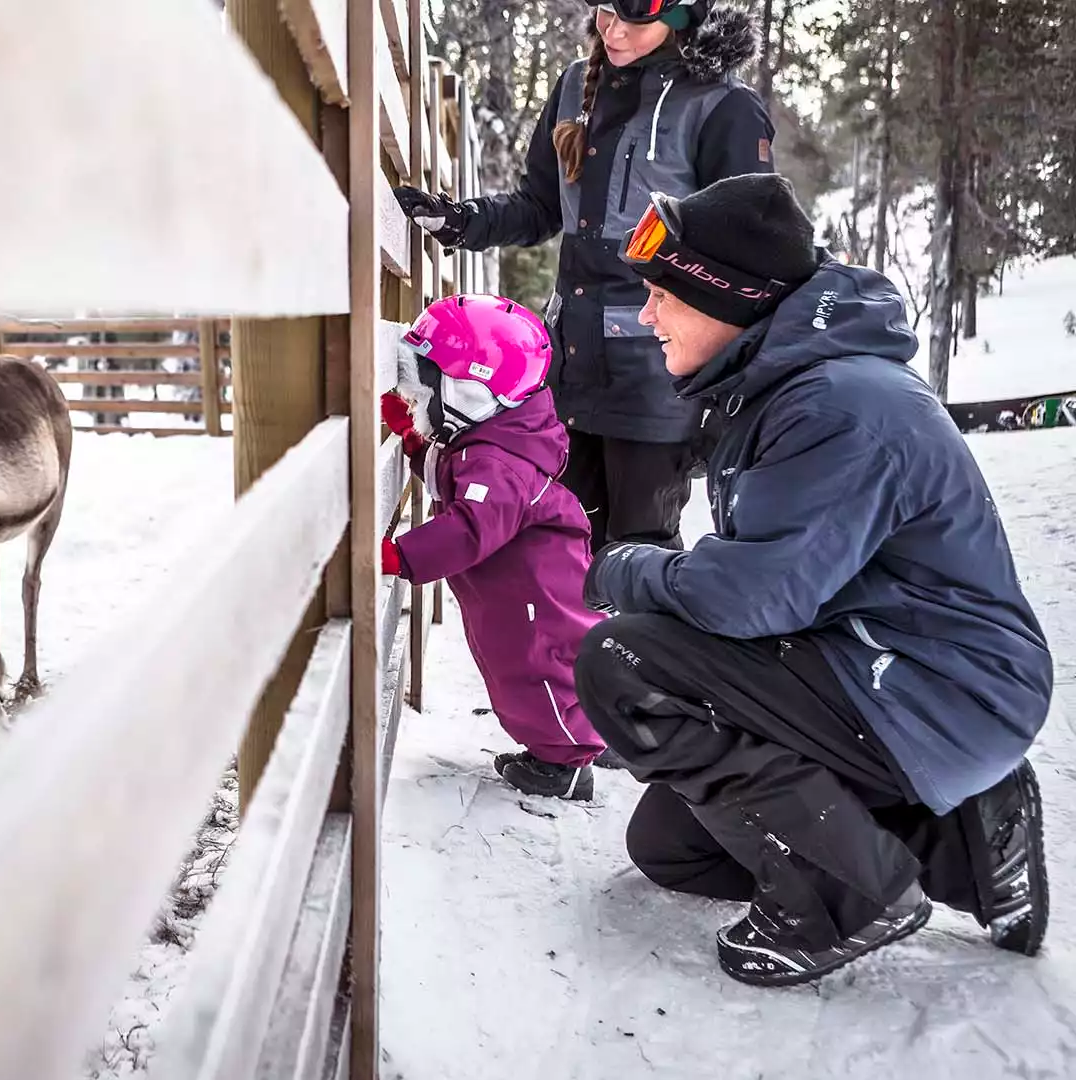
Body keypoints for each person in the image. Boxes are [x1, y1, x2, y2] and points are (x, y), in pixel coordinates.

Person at [577, 172, 1054, 986]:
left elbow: (749, 598)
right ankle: (969, 841)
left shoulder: (840, 404)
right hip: (880, 667)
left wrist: (627, 570)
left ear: (726, 297)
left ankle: (848, 895)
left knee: (624, 663)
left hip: (942, 685)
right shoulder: (786, 383)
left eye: (663, 294)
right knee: (674, 848)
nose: (646, 314)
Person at [393, 0, 772, 551]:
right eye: (603, 11)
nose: (612, 30)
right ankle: (570, 643)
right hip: (570, 366)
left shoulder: (724, 107)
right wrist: (464, 221)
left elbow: (748, 256)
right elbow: (539, 206)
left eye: (635, 21)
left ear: (684, 16)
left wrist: (730, 383)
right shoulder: (576, 86)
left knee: (637, 552)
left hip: (657, 379)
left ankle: (631, 643)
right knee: (561, 540)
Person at [379, 295, 608, 800]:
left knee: (540, 672)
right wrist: (414, 443)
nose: (422, 397)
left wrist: (398, 557)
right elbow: (456, 480)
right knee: (530, 672)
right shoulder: (493, 438)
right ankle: (578, 738)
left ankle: (567, 765)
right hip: (514, 596)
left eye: (430, 385)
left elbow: (469, 526)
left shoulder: (502, 463)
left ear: (471, 390)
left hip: (534, 601)